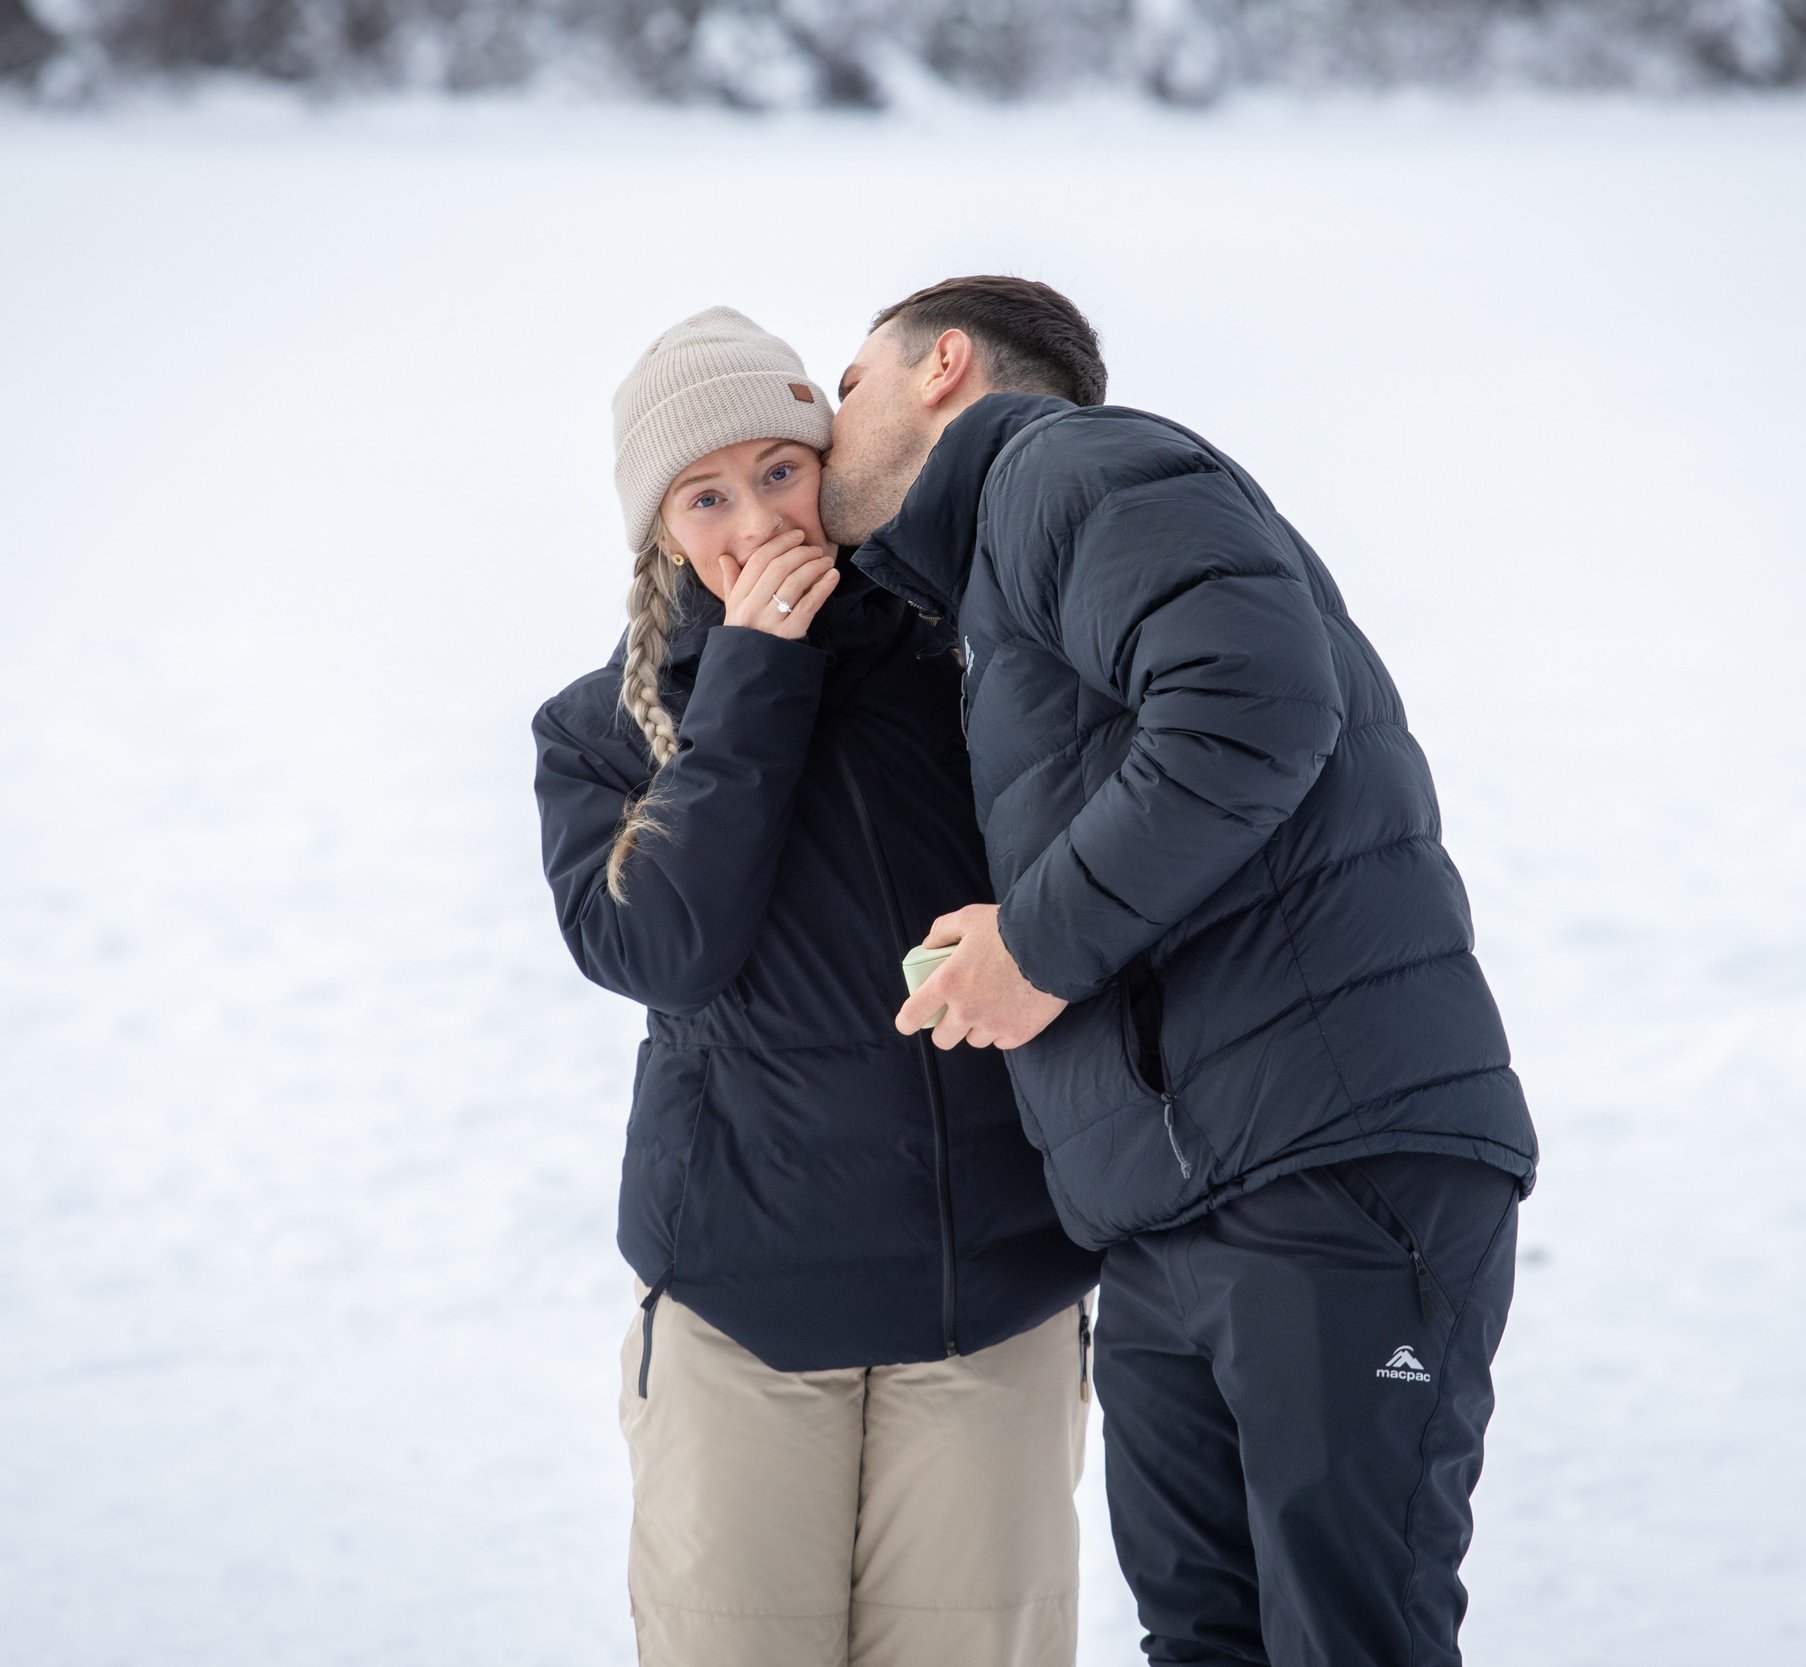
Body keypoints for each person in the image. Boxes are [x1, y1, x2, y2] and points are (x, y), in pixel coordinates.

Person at [818, 275, 1542, 1667]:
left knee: (1351, 1633)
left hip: (1327, 1172)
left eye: (849, 383)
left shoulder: (1069, 466)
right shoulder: (1001, 579)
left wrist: (1033, 946)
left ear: (944, 366)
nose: (829, 421)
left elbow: (1254, 704)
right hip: (1173, 1212)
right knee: (1207, 1638)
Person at [529, 307, 1102, 1667]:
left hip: (994, 1303)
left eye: (781, 472)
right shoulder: (597, 732)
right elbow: (659, 947)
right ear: (661, 529)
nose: (755, 521)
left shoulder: (962, 664)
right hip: (740, 1308)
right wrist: (752, 680)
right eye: (706, 495)